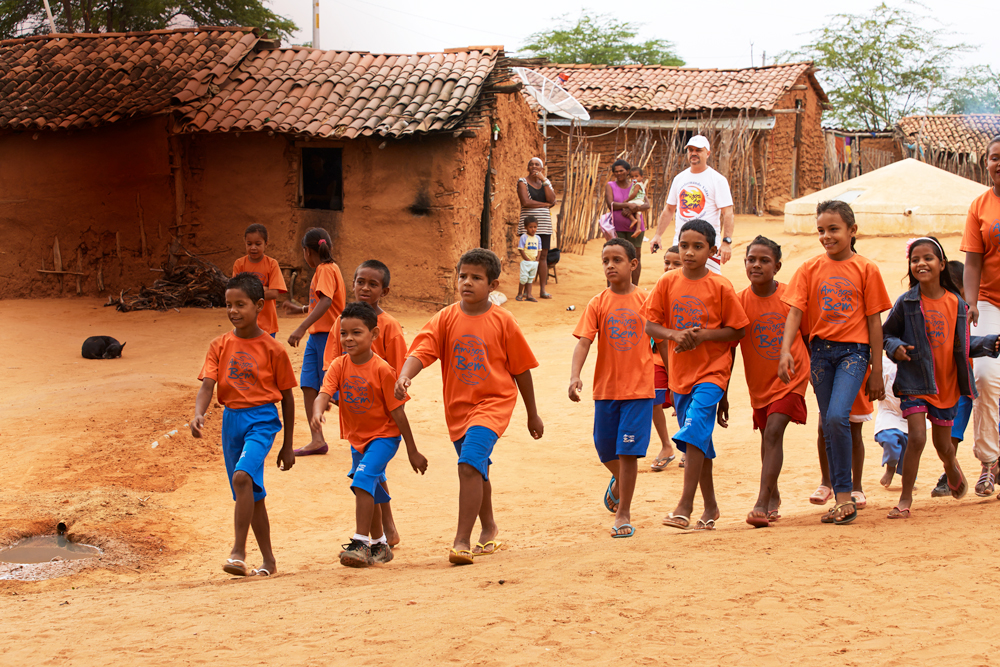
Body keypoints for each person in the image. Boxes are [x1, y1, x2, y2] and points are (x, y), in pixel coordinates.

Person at [394, 249, 544, 564]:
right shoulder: (446, 318)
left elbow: (521, 370)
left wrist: (532, 413)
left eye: (476, 278)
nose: (467, 282)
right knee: (477, 466)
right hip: (458, 408)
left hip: (494, 403)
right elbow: (422, 350)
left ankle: (461, 540)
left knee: (468, 464)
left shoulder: (503, 321)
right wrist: (405, 376)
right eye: (463, 276)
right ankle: (489, 529)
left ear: (493, 285)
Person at [778, 200, 890, 525]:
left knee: (840, 416)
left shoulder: (866, 269)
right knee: (828, 422)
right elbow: (795, 313)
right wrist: (786, 350)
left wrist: (878, 371)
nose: (826, 236)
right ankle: (842, 499)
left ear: (852, 231)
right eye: (821, 231)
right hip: (820, 354)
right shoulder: (809, 269)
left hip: (854, 353)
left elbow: (874, 324)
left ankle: (844, 494)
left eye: (834, 229)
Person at [883, 237, 1000, 518]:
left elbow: (962, 344)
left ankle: (950, 465)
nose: (921, 263)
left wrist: (989, 343)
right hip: (914, 381)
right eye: (915, 260)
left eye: (928, 258)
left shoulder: (957, 305)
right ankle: (905, 498)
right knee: (917, 438)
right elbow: (887, 333)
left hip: (945, 386)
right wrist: (895, 348)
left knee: (943, 446)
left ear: (942, 264)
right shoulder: (906, 303)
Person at [644, 219, 749, 531]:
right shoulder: (666, 283)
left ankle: (684, 505)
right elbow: (651, 325)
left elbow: (738, 329)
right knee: (699, 439)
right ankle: (711, 505)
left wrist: (704, 336)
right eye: (684, 245)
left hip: (712, 374)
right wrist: (675, 336)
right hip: (680, 377)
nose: (689, 252)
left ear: (713, 251)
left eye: (697, 247)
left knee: (695, 429)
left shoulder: (720, 286)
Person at [190, 273, 296, 577]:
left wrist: (288, 445)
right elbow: (207, 385)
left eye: (241, 304)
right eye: (228, 305)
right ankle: (270, 561)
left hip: (262, 419)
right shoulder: (219, 345)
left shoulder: (273, 349)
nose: (233, 311)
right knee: (250, 493)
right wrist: (199, 413)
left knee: (241, 477)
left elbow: (288, 398)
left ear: (259, 305)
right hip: (230, 421)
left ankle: (238, 552)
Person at [311, 302, 427, 566]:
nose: (348, 339)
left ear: (374, 334)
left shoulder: (382, 370)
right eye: (343, 333)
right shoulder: (339, 365)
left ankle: (360, 541)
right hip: (357, 439)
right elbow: (323, 394)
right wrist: (318, 412)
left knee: (362, 480)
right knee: (370, 488)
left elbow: (398, 414)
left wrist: (412, 450)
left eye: (356, 333)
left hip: (384, 438)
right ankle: (380, 545)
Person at [718, 236, 809, 527]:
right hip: (759, 384)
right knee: (767, 437)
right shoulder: (740, 303)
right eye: (751, 259)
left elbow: (807, 336)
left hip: (791, 378)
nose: (756, 265)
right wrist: (724, 392)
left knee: (772, 432)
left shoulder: (790, 298)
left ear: (777, 266)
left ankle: (761, 502)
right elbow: (729, 351)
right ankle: (773, 493)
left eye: (764, 260)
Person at [568, 238, 654, 538]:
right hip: (606, 390)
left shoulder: (647, 301)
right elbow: (584, 341)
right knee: (605, 449)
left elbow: (663, 341)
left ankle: (623, 513)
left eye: (617, 260)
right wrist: (574, 376)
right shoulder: (598, 302)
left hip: (639, 391)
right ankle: (621, 483)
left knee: (628, 452)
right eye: (606, 260)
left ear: (633, 264)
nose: (610, 265)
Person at [322, 259, 407, 546]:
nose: (365, 288)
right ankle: (385, 533)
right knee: (371, 472)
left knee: (369, 472)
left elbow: (399, 375)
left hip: (383, 415)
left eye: (373, 284)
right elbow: (333, 362)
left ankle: (382, 532)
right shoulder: (341, 322)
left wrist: (396, 409)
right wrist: (333, 394)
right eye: (360, 282)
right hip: (357, 416)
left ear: (385, 290)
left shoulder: (390, 327)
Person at [960, 136, 1000, 498]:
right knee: (985, 376)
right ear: (985, 163)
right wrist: (970, 302)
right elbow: (972, 262)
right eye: (993, 158)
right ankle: (989, 461)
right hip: (989, 303)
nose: (998, 163)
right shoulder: (980, 206)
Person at [283, 228, 346, 456]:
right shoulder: (323, 269)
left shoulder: (326, 269)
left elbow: (327, 301)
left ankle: (376, 425)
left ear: (308, 252)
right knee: (309, 385)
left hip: (328, 336)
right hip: (316, 336)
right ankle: (317, 439)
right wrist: (300, 309)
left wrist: (300, 328)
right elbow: (321, 302)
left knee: (336, 392)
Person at [649, 135, 735, 275]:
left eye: (698, 150)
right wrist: (658, 235)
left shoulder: (717, 180)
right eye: (690, 150)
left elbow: (728, 212)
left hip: (707, 244)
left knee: (709, 283)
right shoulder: (679, 179)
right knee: (679, 281)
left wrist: (726, 242)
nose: (693, 153)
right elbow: (669, 209)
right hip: (681, 243)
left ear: (707, 153)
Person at [932, 260, 974, 498]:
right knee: (952, 432)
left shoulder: (978, 311)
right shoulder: (947, 309)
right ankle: (949, 474)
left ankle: (992, 469)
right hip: (958, 382)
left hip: (980, 379)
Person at [809, 390, 872, 507]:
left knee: (854, 432)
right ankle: (826, 483)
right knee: (823, 427)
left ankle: (857, 487)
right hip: (831, 378)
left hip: (856, 378)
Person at [650, 246, 681, 472]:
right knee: (654, 399)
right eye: (667, 262)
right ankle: (666, 445)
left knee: (685, 405)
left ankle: (690, 448)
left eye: (675, 264)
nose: (669, 268)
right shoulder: (658, 291)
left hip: (686, 359)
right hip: (659, 358)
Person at [232, 223, 287, 338]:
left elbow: (273, 293)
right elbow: (236, 293)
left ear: (266, 244)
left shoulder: (272, 264)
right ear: (244, 243)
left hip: (267, 324)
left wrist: (247, 291)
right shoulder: (239, 264)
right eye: (249, 244)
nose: (253, 247)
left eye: (258, 244)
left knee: (265, 355)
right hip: (244, 322)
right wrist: (264, 289)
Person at [516, 157, 557, 298]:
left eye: (537, 165)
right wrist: (545, 204)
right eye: (531, 164)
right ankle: (527, 292)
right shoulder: (522, 182)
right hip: (528, 224)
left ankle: (543, 290)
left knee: (543, 256)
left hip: (544, 224)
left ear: (541, 168)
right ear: (528, 168)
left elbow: (552, 200)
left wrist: (544, 180)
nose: (534, 166)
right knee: (528, 255)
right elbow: (526, 202)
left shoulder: (546, 183)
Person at [605, 159, 650, 284]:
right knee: (614, 257)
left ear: (628, 171)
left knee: (635, 257)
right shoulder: (610, 186)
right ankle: (612, 287)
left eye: (621, 171)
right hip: (617, 227)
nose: (619, 174)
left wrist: (635, 208)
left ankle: (634, 287)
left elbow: (647, 205)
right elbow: (611, 204)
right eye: (616, 172)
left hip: (636, 228)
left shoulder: (637, 185)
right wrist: (628, 206)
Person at [875, 356, 908, 488]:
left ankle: (908, 478)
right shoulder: (884, 361)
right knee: (889, 439)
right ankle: (890, 467)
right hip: (889, 411)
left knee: (910, 448)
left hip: (910, 411)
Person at [517, 217, 542, 302]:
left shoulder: (538, 238)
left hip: (534, 262)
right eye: (530, 227)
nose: (533, 229)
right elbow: (521, 249)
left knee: (530, 279)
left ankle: (529, 295)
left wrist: (537, 259)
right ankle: (520, 294)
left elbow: (539, 250)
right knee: (523, 278)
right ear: (525, 227)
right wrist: (526, 259)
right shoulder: (524, 237)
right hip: (525, 262)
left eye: (535, 227)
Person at [624, 166, 648, 233]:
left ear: (642, 177)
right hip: (640, 201)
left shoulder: (637, 185)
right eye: (632, 177)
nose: (634, 178)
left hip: (636, 201)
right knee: (638, 215)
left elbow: (634, 194)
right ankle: (638, 229)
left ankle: (632, 219)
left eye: (636, 176)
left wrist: (627, 200)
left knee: (624, 206)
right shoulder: (641, 184)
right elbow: (645, 191)